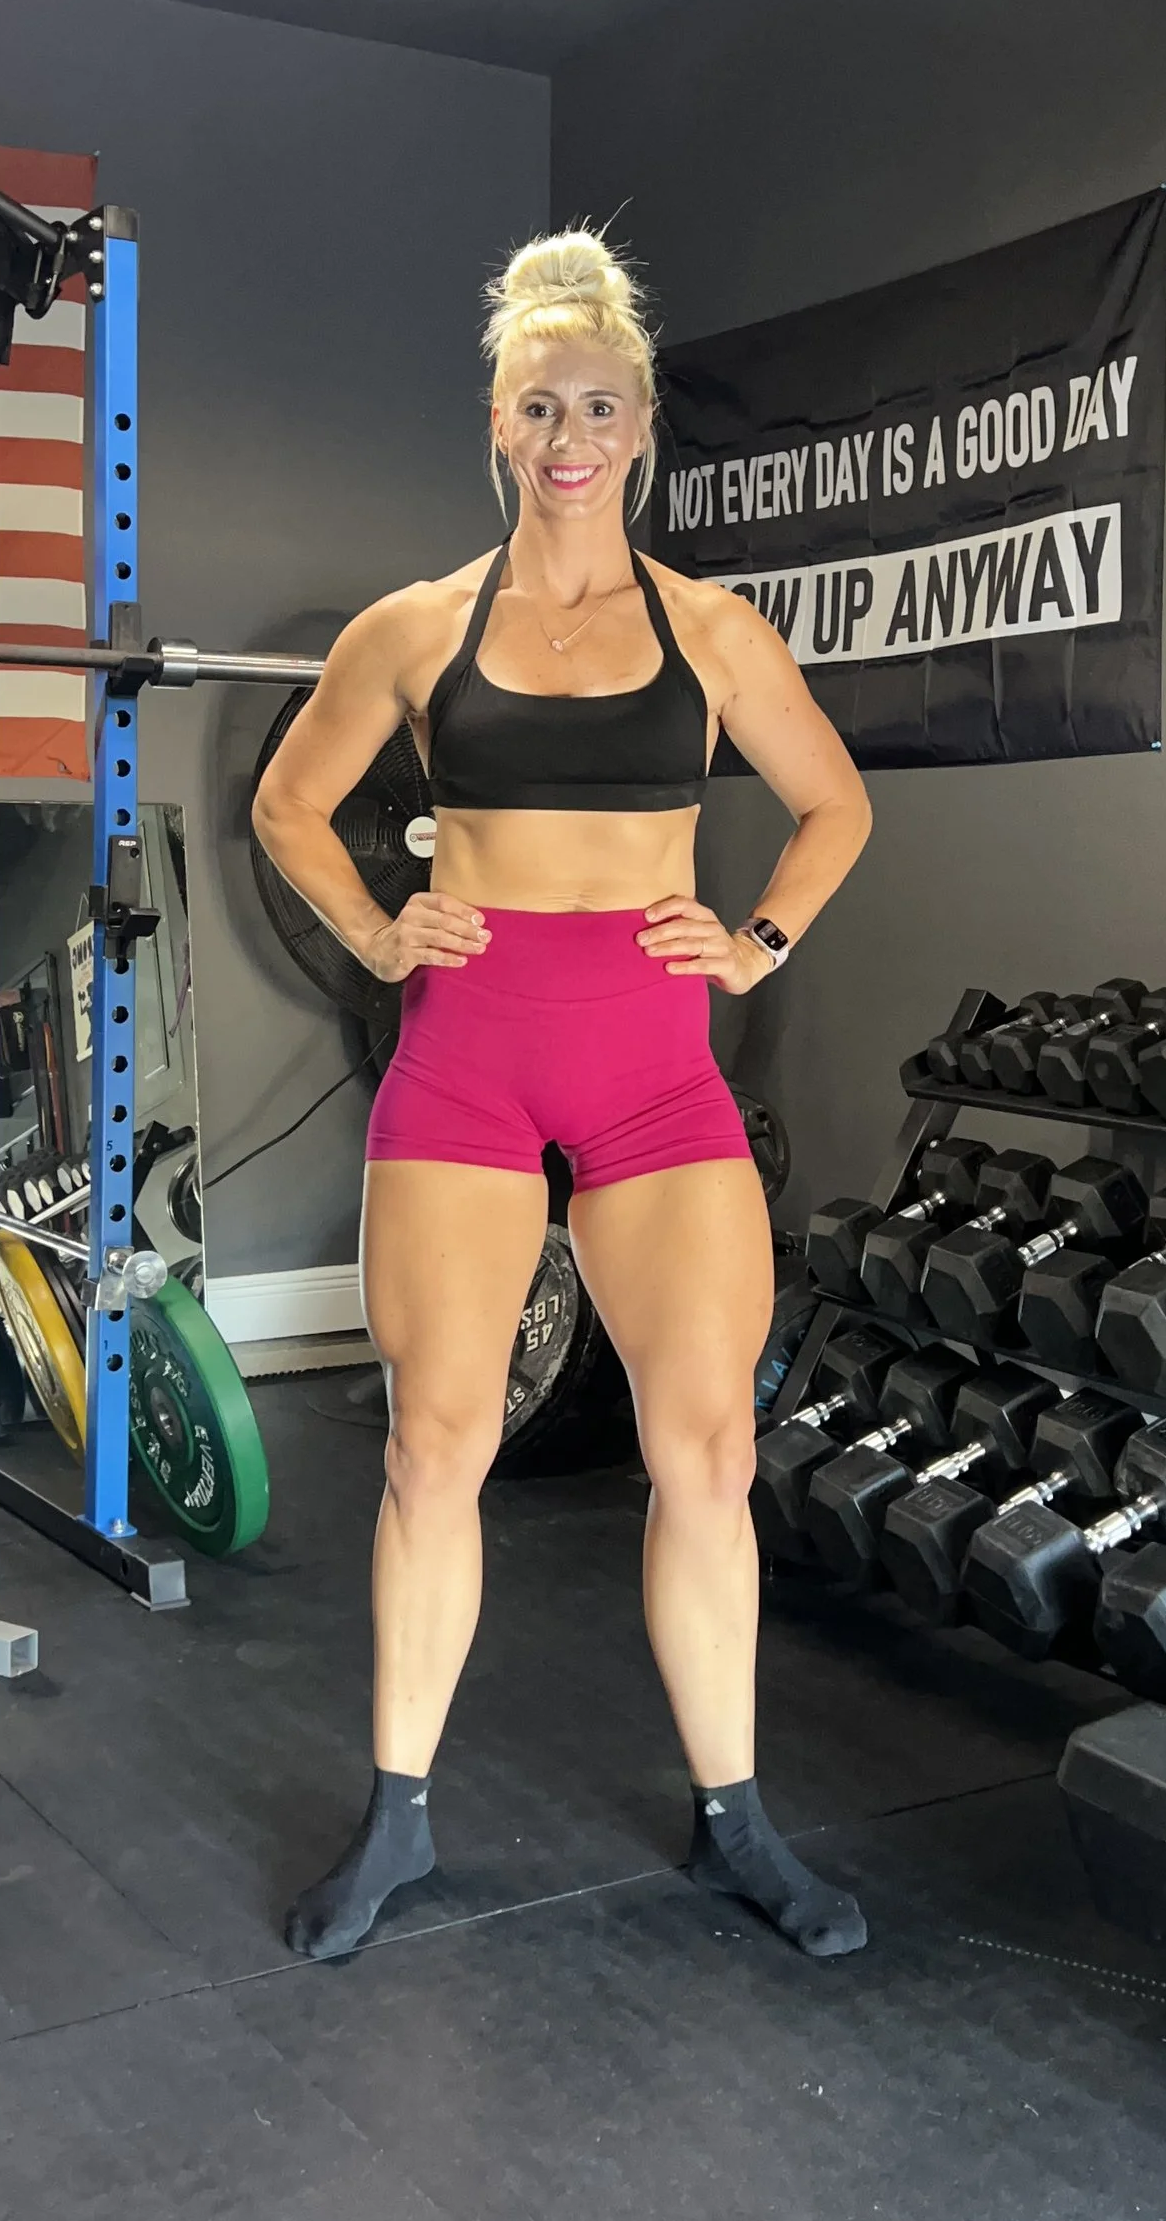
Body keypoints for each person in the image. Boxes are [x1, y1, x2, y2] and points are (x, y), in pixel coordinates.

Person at [253, 231, 874, 1961]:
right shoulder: (416, 627)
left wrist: (753, 939)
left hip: (655, 1072)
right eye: (542, 406)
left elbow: (837, 810)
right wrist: (383, 932)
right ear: (502, 425)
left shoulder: (715, 631)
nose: (571, 434)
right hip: (468, 1054)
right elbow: (289, 811)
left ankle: (738, 1823)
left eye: (598, 404)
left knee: (709, 1445)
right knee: (439, 1445)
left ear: (644, 420)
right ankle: (394, 1826)